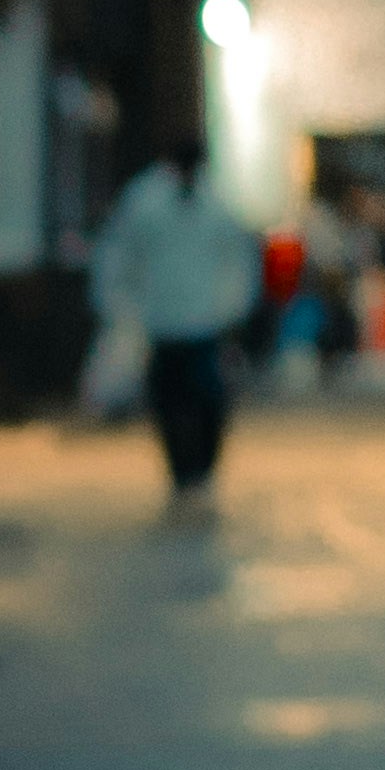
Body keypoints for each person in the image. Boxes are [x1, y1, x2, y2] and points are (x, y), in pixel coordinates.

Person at [89, 134, 264, 504]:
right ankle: (181, 473)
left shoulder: (216, 201)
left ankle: (203, 469)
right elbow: (120, 255)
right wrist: (121, 308)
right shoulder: (144, 201)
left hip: (206, 322)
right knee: (169, 401)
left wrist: (233, 307)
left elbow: (238, 258)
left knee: (209, 399)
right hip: (162, 322)